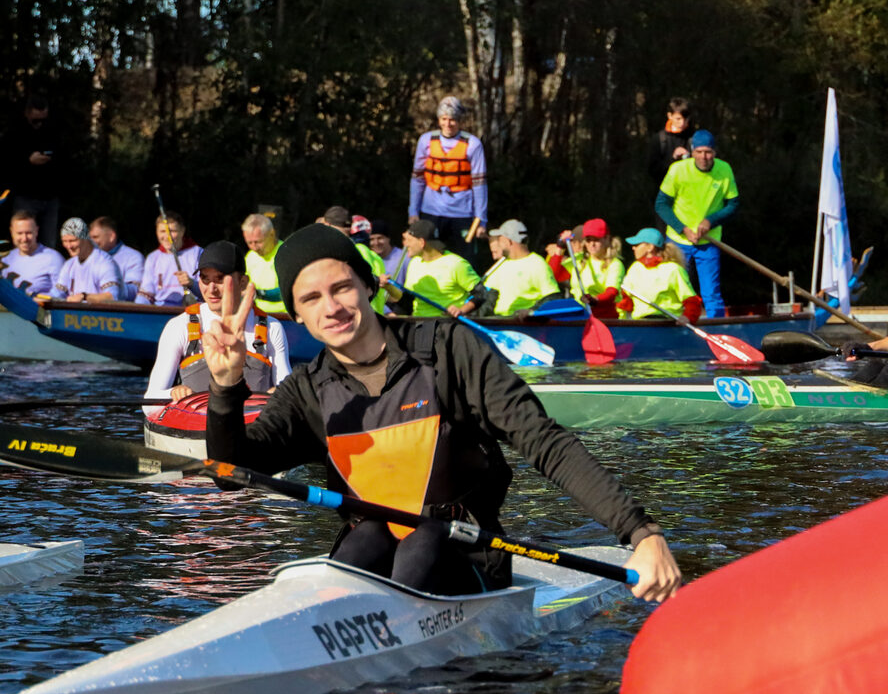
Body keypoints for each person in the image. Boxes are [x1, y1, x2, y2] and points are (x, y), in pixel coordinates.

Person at [198, 223, 681, 602]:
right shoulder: (307, 390)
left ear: (368, 287)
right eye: (311, 298)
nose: (332, 308)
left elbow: (545, 442)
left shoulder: (448, 351)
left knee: (424, 541)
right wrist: (224, 388)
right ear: (296, 315)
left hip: (465, 558)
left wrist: (640, 532)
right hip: (373, 560)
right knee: (365, 539)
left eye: (341, 288)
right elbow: (232, 474)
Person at [146, 241, 291, 401]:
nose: (211, 289)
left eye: (220, 279)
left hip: (255, 422)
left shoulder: (272, 327)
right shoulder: (179, 326)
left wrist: (280, 394)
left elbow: (288, 393)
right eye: (205, 279)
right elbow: (150, 402)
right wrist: (172, 393)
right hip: (197, 421)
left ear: (242, 282)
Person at [655, 128, 738, 318]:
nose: (704, 157)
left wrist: (711, 221)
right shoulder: (678, 170)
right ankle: (671, 329)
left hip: (709, 241)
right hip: (677, 241)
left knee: (711, 293)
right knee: (673, 289)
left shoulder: (724, 170)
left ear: (715, 153)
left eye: (708, 152)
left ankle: (716, 335)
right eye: (699, 152)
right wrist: (682, 228)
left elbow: (733, 204)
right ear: (692, 152)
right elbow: (661, 205)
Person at [409, 96, 488, 265]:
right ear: (439, 120)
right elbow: (417, 179)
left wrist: (481, 218)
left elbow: (480, 184)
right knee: (428, 257)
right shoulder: (426, 140)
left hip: (462, 212)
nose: (448, 124)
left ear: (459, 121)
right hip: (431, 211)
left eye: (452, 120)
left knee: (464, 260)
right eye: (444, 119)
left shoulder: (473, 144)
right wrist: (413, 212)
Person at [0, 93, 68, 238]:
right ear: (27, 114)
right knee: (24, 239)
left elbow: (64, 159)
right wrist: (27, 161)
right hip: (25, 196)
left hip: (50, 196)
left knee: (48, 243)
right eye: (36, 120)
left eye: (43, 120)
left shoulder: (53, 131)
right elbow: (4, 164)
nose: (40, 124)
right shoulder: (15, 133)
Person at [465, 220, 561, 317]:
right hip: (499, 320)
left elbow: (553, 297)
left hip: (520, 323)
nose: (498, 243)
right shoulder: (502, 264)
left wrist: (531, 311)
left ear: (508, 241)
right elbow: (486, 295)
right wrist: (465, 312)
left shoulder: (537, 264)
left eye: (500, 240)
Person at [399, 218, 481, 317]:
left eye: (409, 240)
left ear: (421, 242)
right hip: (419, 324)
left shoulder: (455, 264)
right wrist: (387, 286)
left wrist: (461, 310)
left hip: (447, 324)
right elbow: (406, 299)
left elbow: (482, 294)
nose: (405, 244)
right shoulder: (414, 263)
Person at [618, 228, 702, 322]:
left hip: (667, 323)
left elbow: (691, 301)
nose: (633, 248)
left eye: (637, 245)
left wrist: (687, 317)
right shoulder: (635, 268)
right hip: (641, 324)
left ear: (650, 247)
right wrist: (620, 320)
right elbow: (625, 300)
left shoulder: (673, 269)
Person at [555, 218, 626, 319]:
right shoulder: (579, 259)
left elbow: (611, 292)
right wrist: (559, 248)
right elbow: (554, 276)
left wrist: (595, 300)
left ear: (607, 239)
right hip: (580, 315)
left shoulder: (615, 264)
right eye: (588, 240)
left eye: (597, 240)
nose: (592, 244)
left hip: (605, 317)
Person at [46, 218, 122, 303]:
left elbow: (112, 297)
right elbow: (57, 293)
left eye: (72, 241)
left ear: (85, 238)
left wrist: (85, 297)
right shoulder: (69, 265)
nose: (68, 246)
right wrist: (39, 298)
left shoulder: (104, 263)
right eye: (65, 241)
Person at [136, 211, 201, 306]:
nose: (167, 236)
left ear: (182, 231)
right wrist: (137, 307)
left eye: (172, 231)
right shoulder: (152, 258)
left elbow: (208, 290)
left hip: (192, 309)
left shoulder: (198, 253)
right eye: (162, 231)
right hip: (161, 310)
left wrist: (192, 283)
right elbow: (146, 292)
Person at [0, 210, 65, 296]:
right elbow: (2, 293)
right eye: (19, 233)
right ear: (11, 232)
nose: (24, 238)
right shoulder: (6, 259)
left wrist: (35, 298)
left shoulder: (53, 258)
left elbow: (63, 292)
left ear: (36, 231)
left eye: (29, 233)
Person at [88, 216, 144, 301]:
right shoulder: (87, 257)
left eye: (95, 237)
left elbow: (134, 290)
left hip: (117, 311)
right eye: (90, 238)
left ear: (111, 236)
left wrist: (108, 288)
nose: (91, 242)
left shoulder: (133, 257)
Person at [242, 214, 287, 316]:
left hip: (285, 317)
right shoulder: (250, 257)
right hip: (258, 315)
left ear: (272, 234)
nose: (254, 247)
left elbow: (288, 291)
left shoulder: (286, 253)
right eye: (249, 243)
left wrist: (260, 294)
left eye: (258, 242)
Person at [649, 97, 696, 183]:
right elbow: (653, 171)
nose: (682, 123)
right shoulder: (660, 139)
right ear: (669, 116)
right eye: (678, 119)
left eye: (686, 119)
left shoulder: (694, 137)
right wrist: (673, 159)